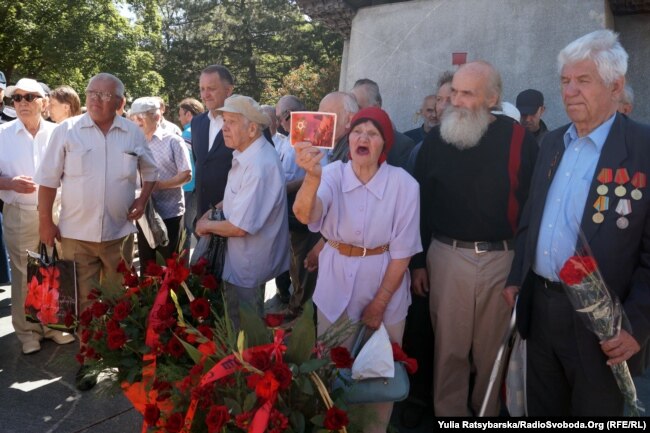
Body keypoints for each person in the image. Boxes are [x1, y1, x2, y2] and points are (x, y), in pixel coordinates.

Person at [503, 29, 650, 416]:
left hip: (604, 326)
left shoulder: (642, 150)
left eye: (583, 81)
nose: (569, 91)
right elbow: (532, 218)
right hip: (543, 309)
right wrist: (518, 276)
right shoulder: (552, 144)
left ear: (616, 86)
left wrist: (635, 324)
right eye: (565, 81)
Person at [411, 61, 538, 416]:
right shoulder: (435, 141)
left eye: (467, 93)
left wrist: (522, 270)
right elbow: (419, 205)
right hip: (446, 257)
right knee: (449, 351)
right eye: (454, 91)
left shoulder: (519, 140)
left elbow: (532, 207)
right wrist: (418, 263)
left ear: (492, 98)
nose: (456, 100)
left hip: (503, 260)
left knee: (492, 352)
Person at [293, 106, 421, 433]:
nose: (363, 138)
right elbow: (306, 215)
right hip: (335, 285)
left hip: (386, 287)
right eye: (357, 131)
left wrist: (380, 302)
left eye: (372, 133)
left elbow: (403, 252)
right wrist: (311, 176)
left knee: (380, 370)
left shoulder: (404, 184)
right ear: (348, 139)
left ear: (383, 145)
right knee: (331, 368)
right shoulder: (332, 173)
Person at [36, 73, 158, 390]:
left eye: (104, 95)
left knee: (119, 299)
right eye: (92, 92)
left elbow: (151, 171)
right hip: (76, 235)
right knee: (85, 304)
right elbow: (47, 181)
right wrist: (45, 223)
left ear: (119, 103)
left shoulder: (132, 132)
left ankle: (118, 356)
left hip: (119, 233)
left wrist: (143, 200)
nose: (95, 99)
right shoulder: (67, 130)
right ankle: (90, 361)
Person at [195, 95, 289, 326]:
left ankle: (243, 361)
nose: (224, 128)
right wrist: (217, 208)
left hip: (247, 262)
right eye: (224, 121)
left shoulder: (258, 164)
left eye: (232, 122)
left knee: (244, 325)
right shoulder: (248, 153)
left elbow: (239, 228)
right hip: (242, 259)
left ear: (252, 129)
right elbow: (239, 196)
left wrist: (204, 225)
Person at [0, 78, 75, 355]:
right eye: (16, 98)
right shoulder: (3, 133)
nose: (21, 103)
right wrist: (8, 183)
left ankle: (54, 326)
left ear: (44, 102)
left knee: (54, 269)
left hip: (57, 211)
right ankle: (28, 332)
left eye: (29, 97)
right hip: (19, 212)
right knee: (24, 273)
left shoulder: (59, 132)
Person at [130, 97, 191, 272]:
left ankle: (171, 300)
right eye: (134, 118)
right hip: (143, 213)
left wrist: (159, 185)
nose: (137, 121)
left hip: (169, 213)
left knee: (169, 266)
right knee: (148, 266)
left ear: (156, 117)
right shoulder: (134, 143)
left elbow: (186, 175)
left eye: (141, 117)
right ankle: (149, 299)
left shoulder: (173, 140)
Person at [192, 65, 235, 218]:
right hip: (203, 217)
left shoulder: (247, 125)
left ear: (228, 91)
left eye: (211, 88)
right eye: (202, 89)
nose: (205, 95)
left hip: (236, 217)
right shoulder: (197, 123)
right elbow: (200, 164)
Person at [351, 79, 415, 169]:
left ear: (376, 107)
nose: (352, 113)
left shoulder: (402, 146)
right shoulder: (343, 138)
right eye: (350, 107)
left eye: (357, 107)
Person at [405, 71, 453, 174]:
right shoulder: (417, 147)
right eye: (439, 99)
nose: (435, 114)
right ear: (421, 112)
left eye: (449, 100)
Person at [178, 97, 204, 250]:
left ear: (188, 114)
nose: (180, 118)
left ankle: (184, 269)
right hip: (200, 187)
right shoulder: (202, 130)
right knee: (196, 228)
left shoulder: (187, 134)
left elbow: (187, 167)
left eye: (181, 114)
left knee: (185, 230)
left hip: (189, 188)